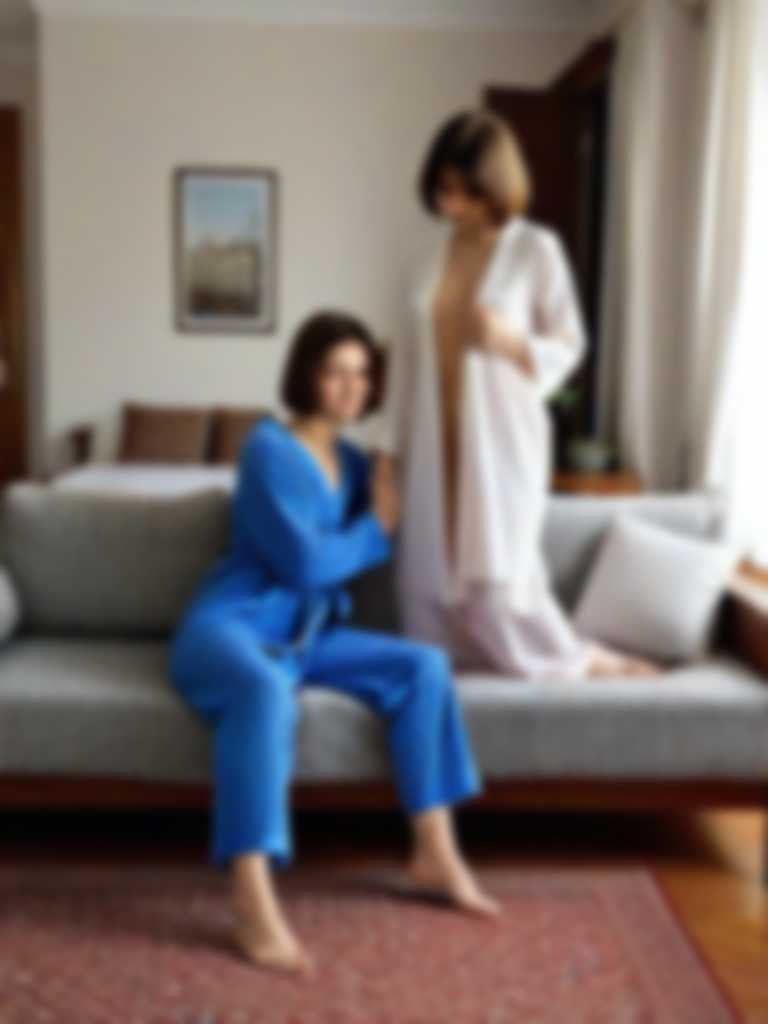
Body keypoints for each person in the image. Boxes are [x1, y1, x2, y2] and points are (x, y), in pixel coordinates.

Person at [167, 309, 501, 978]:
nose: (351, 387)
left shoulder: (352, 463)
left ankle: (435, 850)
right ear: (306, 376)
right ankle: (250, 901)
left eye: (362, 374)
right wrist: (376, 528)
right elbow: (305, 563)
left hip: (307, 637)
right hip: (231, 627)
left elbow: (367, 539)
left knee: (425, 667)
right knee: (264, 693)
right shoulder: (267, 449)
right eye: (334, 372)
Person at [373, 108, 662, 679]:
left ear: (494, 184)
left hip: (500, 442)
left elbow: (571, 343)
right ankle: (446, 686)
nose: (450, 204)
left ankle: (579, 661)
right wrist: (386, 458)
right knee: (425, 583)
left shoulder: (535, 249)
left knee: (499, 585)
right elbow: (403, 364)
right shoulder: (424, 260)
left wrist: (509, 342)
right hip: (433, 442)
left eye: (463, 190)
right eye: (442, 189)